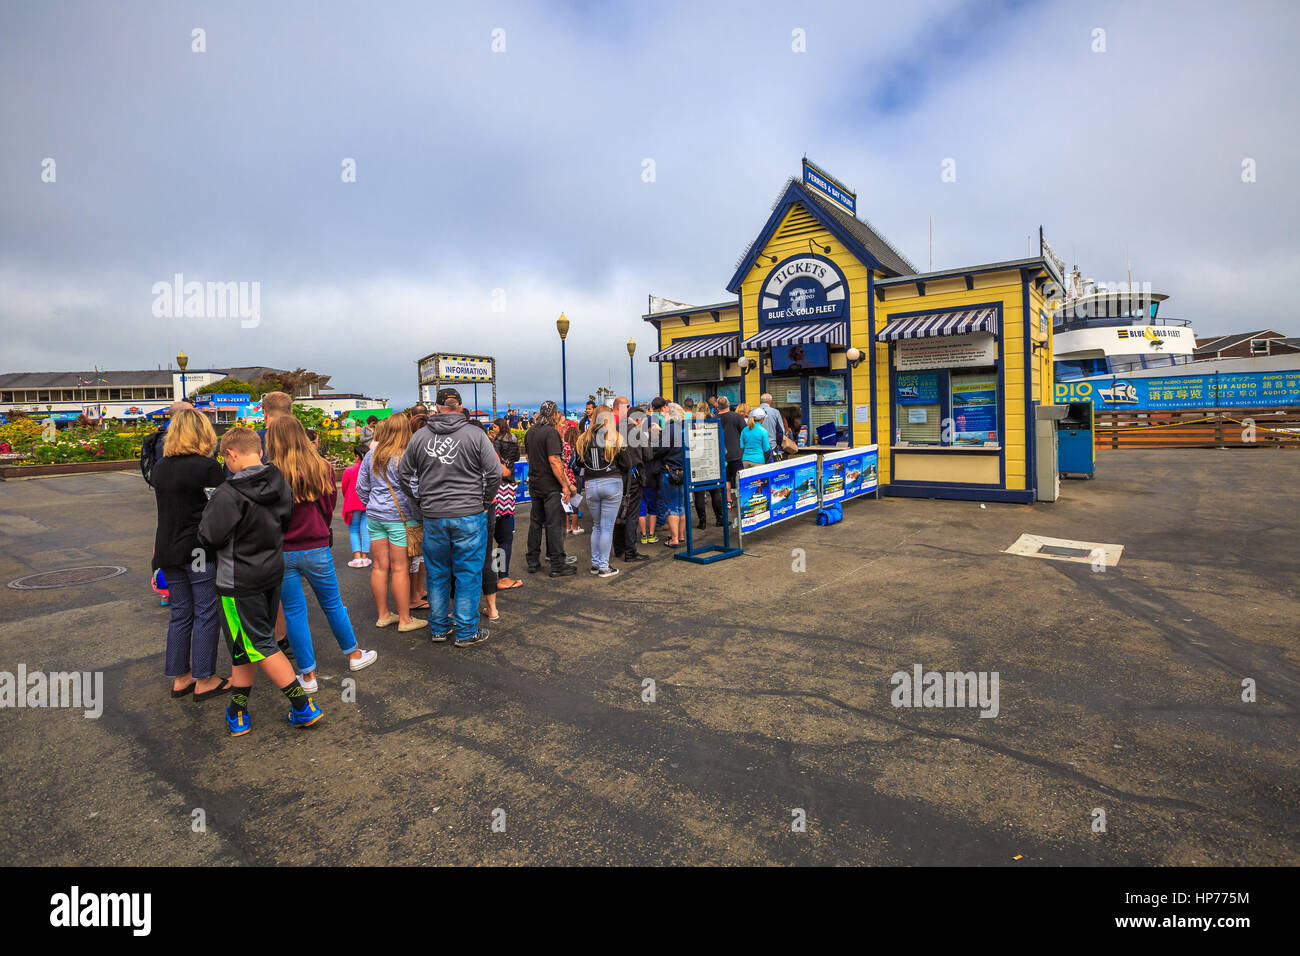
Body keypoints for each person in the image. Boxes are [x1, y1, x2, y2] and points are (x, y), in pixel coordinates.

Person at [197, 426, 323, 736]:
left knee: (261, 644)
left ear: (232, 454)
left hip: (238, 580)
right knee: (244, 645)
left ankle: (303, 707)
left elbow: (209, 537)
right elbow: (286, 519)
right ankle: (237, 711)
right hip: (270, 571)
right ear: (260, 451)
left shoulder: (227, 493)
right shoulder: (279, 480)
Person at [265, 416, 377, 692]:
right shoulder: (322, 467)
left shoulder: (268, 473)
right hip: (315, 544)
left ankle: (308, 675)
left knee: (293, 612)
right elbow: (328, 507)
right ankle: (353, 654)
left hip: (282, 549)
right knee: (332, 604)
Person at [399, 387, 502, 647]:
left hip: (434, 515)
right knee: (468, 572)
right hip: (469, 513)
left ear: (436, 408)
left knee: (437, 572)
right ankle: (466, 631)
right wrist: (483, 500)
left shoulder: (420, 437)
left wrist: (420, 499)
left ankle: (439, 628)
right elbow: (494, 473)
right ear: (459, 408)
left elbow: (403, 475)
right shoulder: (476, 435)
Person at [152, 406, 229, 701]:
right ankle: (204, 678)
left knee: (180, 613)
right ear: (203, 433)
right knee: (206, 612)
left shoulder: (161, 468)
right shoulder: (207, 467)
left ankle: (180, 676)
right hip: (197, 549)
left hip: (167, 548)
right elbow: (221, 507)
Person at [357, 414, 426, 632]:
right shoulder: (406, 456)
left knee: (379, 567)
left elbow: (361, 487)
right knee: (400, 569)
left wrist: (373, 504)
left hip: (375, 517)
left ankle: (384, 614)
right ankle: (405, 619)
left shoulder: (372, 455)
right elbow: (415, 489)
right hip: (400, 518)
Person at [521, 400, 577, 578]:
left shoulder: (530, 432)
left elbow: (529, 457)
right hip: (550, 485)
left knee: (536, 523)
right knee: (554, 524)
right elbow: (555, 461)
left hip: (535, 482)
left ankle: (532, 560)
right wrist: (565, 485)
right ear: (554, 415)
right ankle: (557, 564)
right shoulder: (551, 433)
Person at [575, 405, 630, 578]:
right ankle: (604, 567)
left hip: (591, 484)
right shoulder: (615, 437)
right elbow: (626, 463)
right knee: (607, 527)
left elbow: (578, 462)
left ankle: (595, 563)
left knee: (597, 526)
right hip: (612, 482)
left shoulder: (583, 438)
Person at [610, 398, 651, 564]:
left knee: (619, 514)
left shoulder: (614, 430)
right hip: (633, 478)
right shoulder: (636, 431)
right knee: (632, 514)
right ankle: (630, 551)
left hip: (617, 476)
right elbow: (648, 455)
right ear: (639, 419)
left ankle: (618, 548)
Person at [486, 419, 523, 591]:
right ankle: (502, 576)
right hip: (507, 487)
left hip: (492, 490)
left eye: (494, 426)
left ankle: (487, 578)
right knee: (504, 537)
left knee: (487, 540)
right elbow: (513, 460)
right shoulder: (513, 439)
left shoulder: (495, 443)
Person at [404, 410, 430, 610]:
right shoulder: (414, 451)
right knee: (416, 555)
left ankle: (418, 591)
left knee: (418, 555)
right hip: (415, 511)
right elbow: (411, 481)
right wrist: (420, 500)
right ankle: (414, 595)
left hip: (416, 509)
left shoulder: (408, 448)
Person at [655, 402, 687, 547]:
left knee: (671, 507)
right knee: (681, 505)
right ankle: (680, 535)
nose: (662, 414)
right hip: (683, 471)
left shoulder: (671, 428)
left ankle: (673, 539)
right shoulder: (684, 428)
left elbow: (660, 449)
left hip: (670, 471)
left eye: (665, 412)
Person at [340, 443, 371, 568]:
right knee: (365, 530)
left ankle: (357, 558)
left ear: (357, 456)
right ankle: (365, 557)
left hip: (352, 504)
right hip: (367, 503)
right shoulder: (370, 469)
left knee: (353, 530)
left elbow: (344, 488)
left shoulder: (349, 470)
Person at [716, 396, 746, 521]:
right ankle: (742, 502)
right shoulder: (736, 417)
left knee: (726, 479)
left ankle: (728, 501)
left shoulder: (714, 419)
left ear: (717, 406)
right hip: (736, 453)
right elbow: (744, 432)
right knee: (739, 478)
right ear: (729, 404)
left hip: (720, 455)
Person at [561, 423, 585, 536]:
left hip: (565, 476)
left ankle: (567, 527)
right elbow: (576, 464)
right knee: (575, 503)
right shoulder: (576, 449)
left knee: (566, 502)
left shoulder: (564, 448)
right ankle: (575, 527)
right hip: (576, 477)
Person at [758, 393, 786, 458]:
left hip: (757, 447)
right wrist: (778, 445)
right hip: (771, 446)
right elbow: (782, 431)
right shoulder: (775, 412)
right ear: (770, 401)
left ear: (761, 401)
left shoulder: (752, 412)